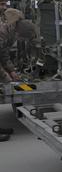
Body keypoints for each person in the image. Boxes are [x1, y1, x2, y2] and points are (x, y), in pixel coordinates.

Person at [0, 8, 40, 141]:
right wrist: (6, 77)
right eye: (21, 38)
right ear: (19, 33)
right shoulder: (2, 32)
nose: (20, 40)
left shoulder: (10, 31)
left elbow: (3, 52)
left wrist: (11, 70)